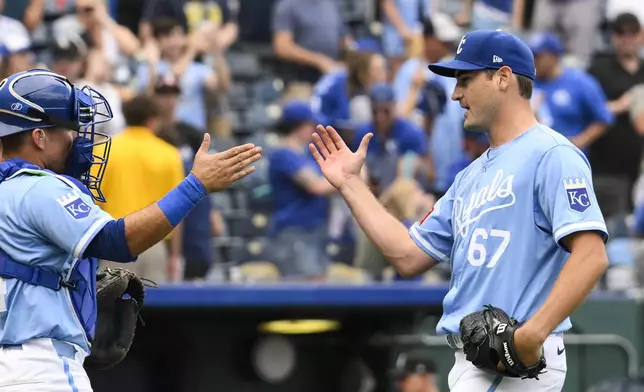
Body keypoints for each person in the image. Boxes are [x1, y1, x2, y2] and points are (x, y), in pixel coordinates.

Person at [310, 30, 609, 391]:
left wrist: (533, 334)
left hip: (511, 362)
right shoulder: (469, 176)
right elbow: (407, 255)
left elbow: (591, 256)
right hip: (477, 360)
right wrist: (351, 184)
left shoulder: (552, 154)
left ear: (503, 78)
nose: (456, 93)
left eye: (465, 79)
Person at [0, 69, 261, 391]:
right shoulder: (37, 188)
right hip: (38, 368)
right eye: (68, 130)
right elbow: (116, 241)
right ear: (39, 137)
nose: (75, 139)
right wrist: (196, 186)